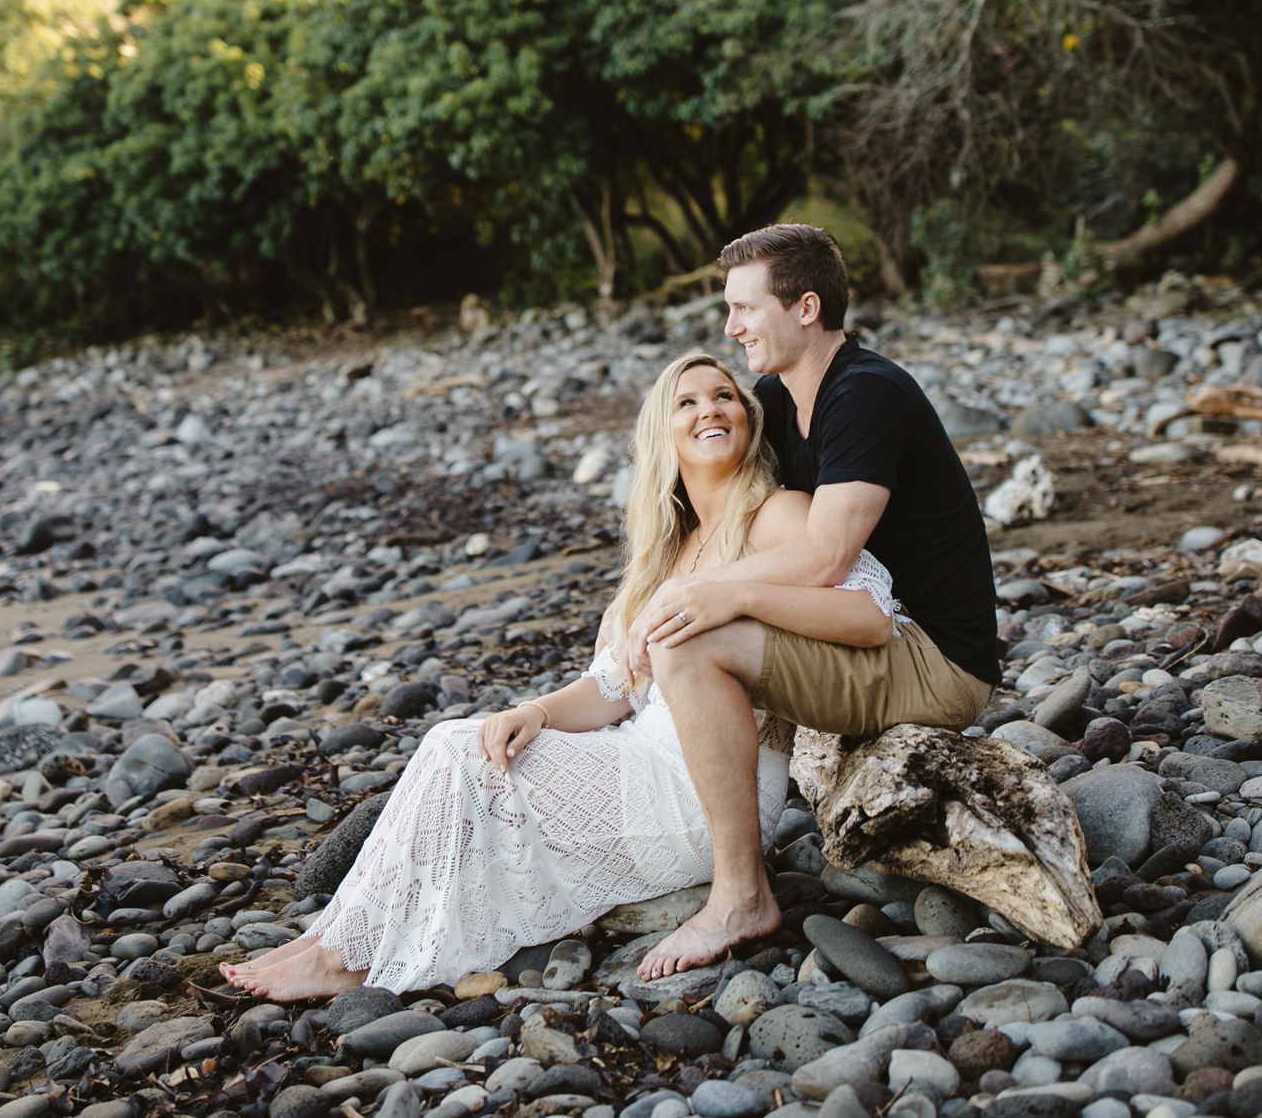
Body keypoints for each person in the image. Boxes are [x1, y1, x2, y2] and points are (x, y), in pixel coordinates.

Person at [221, 350, 915, 1000]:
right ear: (662, 435)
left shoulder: (773, 515)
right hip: (638, 758)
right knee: (455, 743)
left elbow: (868, 611)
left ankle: (345, 960)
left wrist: (737, 595)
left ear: (748, 417)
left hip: (710, 794)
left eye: (725, 396)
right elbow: (611, 691)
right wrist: (541, 711)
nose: (711, 409)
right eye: (688, 401)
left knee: (456, 758)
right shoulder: (662, 555)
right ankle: (337, 940)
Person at [624, 223, 999, 980]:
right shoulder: (773, 396)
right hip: (867, 631)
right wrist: (640, 593)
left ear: (804, 307)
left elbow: (827, 556)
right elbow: (723, 502)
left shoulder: (865, 394)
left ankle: (739, 897)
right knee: (688, 617)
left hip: (931, 657)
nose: (729, 328)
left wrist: (693, 592)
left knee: (692, 638)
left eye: (743, 308)